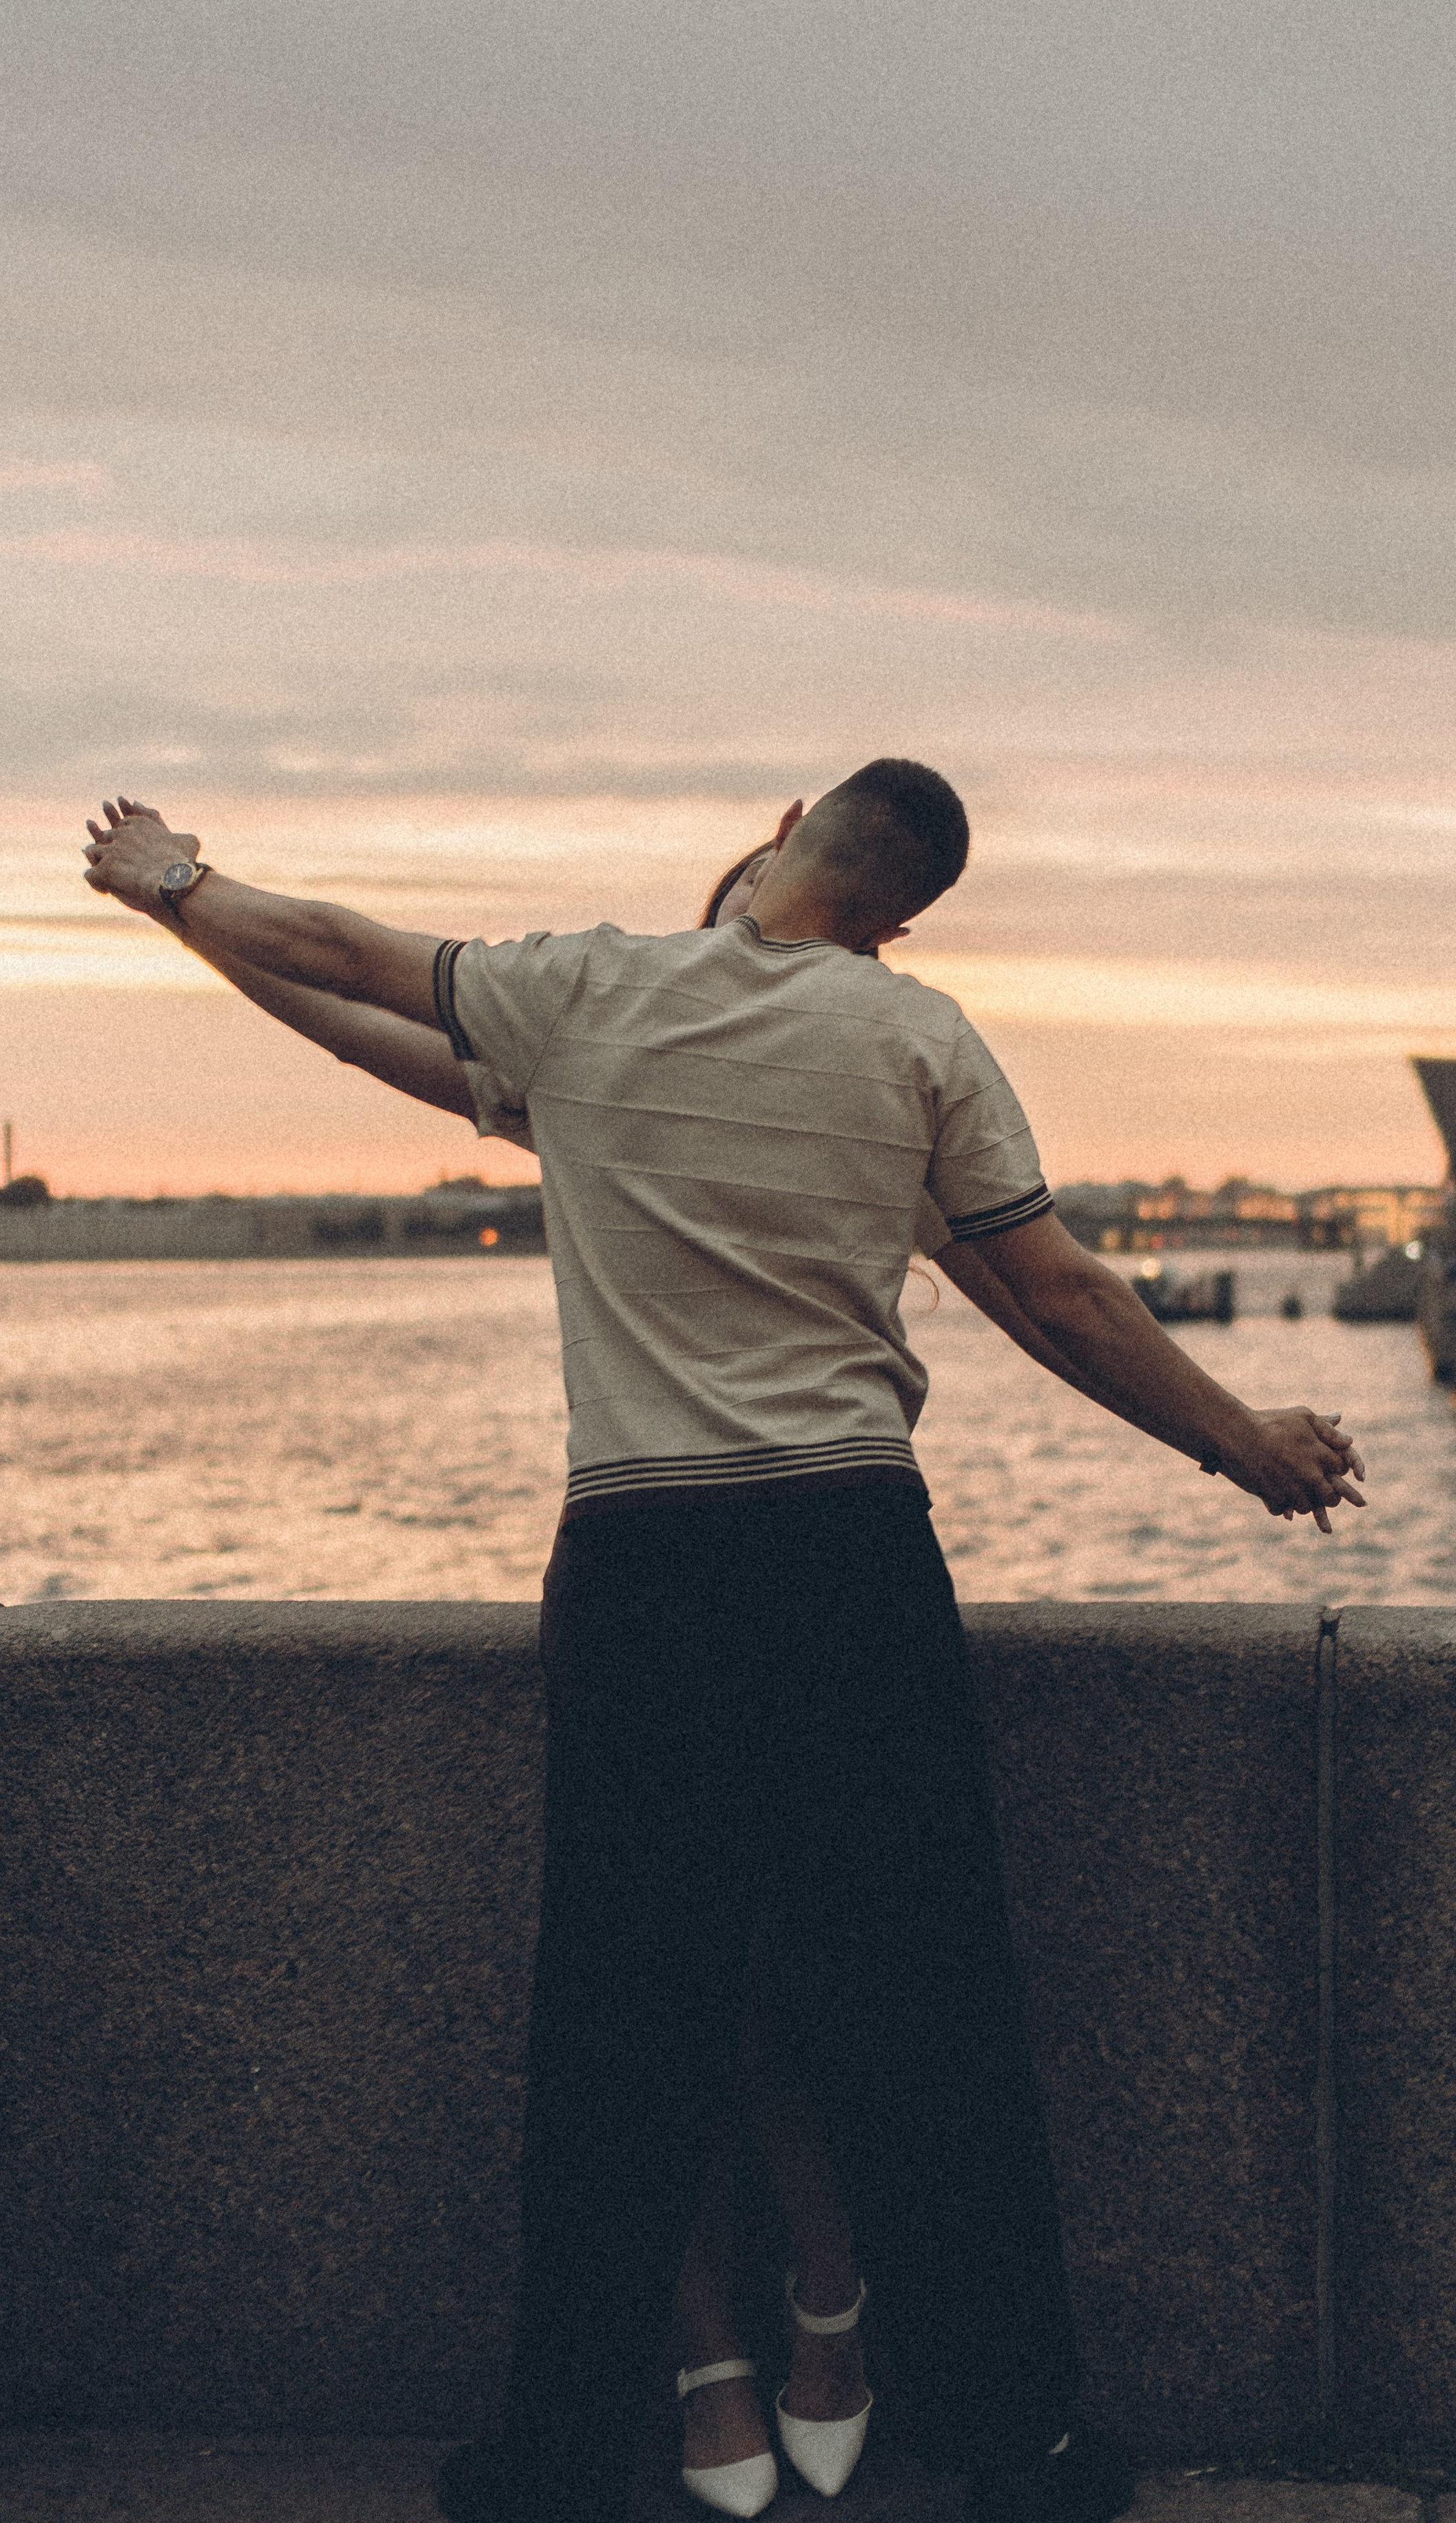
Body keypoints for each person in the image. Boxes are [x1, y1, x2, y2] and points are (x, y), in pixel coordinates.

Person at [83, 767, 1366, 2523]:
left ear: (783, 828)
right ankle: (1015, 2438)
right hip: (850, 1548)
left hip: (646, 1562)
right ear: (896, 918)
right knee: (930, 2007)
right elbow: (1055, 1293)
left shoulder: (591, 996)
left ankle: (562, 2455)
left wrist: (176, 887)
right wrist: (1239, 1444)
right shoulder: (914, 1039)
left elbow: (337, 967)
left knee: (617, 2018)